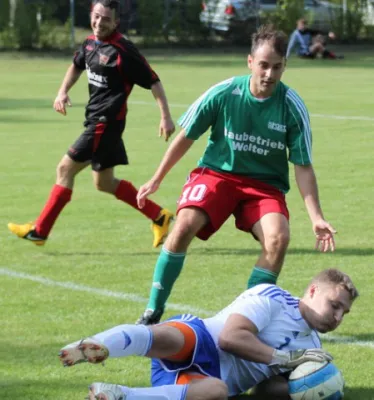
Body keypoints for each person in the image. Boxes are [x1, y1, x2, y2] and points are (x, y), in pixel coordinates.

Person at [134, 24, 337, 325]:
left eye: (277, 67)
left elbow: (303, 166)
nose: (269, 74)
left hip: (265, 187)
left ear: (285, 67)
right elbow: (186, 136)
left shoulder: (292, 107)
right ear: (250, 62)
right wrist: (157, 177)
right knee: (183, 225)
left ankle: (241, 320)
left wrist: (316, 217)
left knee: (278, 239)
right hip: (217, 175)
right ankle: (153, 309)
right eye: (264, 65)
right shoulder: (224, 92)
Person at [7, 0, 175, 248]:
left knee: (65, 169)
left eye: (106, 19)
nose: (99, 22)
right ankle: (159, 216)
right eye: (96, 16)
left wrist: (165, 116)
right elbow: (76, 66)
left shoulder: (124, 51)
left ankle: (40, 231)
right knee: (104, 182)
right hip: (100, 122)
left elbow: (153, 81)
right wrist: (62, 92)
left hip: (105, 124)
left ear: (116, 22)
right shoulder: (89, 43)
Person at [59, 268, 358, 400]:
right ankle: (96, 344)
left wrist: (306, 388)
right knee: (178, 339)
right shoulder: (273, 297)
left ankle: (121, 395)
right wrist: (286, 358)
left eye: (343, 313)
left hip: (202, 381)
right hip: (201, 337)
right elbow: (230, 337)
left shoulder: (313, 350)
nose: (337, 317)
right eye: (334, 305)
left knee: (217, 392)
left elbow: (262, 391)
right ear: (313, 290)